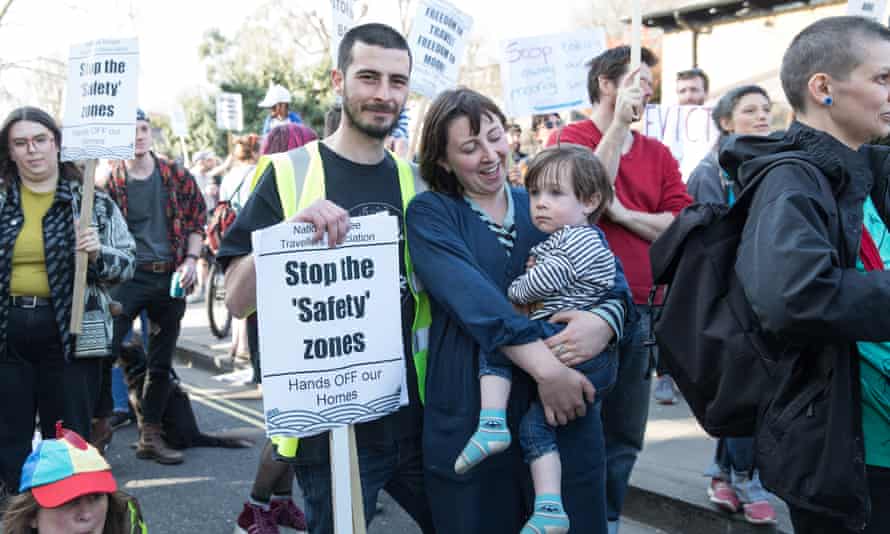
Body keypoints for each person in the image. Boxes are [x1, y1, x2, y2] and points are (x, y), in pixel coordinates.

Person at [219, 23, 434, 534]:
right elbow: (235, 300)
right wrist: (287, 236)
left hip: (419, 420)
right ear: (338, 80)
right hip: (331, 432)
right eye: (369, 77)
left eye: (397, 82)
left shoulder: (417, 182)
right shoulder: (287, 172)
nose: (384, 95)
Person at [408, 87, 633, 533]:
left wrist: (604, 322)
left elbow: (612, 281)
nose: (491, 155)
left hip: (564, 415)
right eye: (470, 148)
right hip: (476, 409)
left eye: (495, 136)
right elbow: (479, 302)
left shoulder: (547, 201)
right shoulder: (432, 213)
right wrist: (550, 372)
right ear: (443, 161)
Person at [719, 16, 890, 533]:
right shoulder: (791, 181)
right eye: (882, 78)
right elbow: (792, 295)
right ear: (823, 88)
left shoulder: (861, 168)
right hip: (847, 451)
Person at [547, 46, 693, 534]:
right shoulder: (570, 137)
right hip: (583, 309)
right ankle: (566, 515)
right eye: (638, 80)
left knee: (626, 430)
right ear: (607, 84)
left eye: (650, 83)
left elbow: (679, 225)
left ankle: (606, 519)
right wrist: (617, 130)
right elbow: (585, 197)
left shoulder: (659, 154)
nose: (648, 90)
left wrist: (625, 215)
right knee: (577, 420)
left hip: (644, 309)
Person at [451, 145, 621, 534]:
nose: (541, 204)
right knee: (536, 429)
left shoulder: (575, 238)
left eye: (555, 194)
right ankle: (549, 508)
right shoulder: (568, 235)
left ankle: (491, 421)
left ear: (591, 200)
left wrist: (517, 291)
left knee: (499, 340)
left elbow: (543, 284)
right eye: (536, 194)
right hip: (571, 348)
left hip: (570, 344)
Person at [0, 106, 135, 497]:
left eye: (40, 140)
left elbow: (127, 263)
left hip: (73, 335)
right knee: (9, 438)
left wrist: (97, 254)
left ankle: (67, 510)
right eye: (20, 143)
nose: (32, 150)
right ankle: (18, 514)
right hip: (8, 334)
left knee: (68, 438)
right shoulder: (4, 199)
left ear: (56, 144)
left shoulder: (90, 201)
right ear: (10, 152)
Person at [685, 85, 778, 525]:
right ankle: (747, 480)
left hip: (763, 293)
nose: (762, 117)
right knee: (746, 389)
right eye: (749, 110)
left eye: (766, 109)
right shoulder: (711, 172)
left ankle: (721, 472)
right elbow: (707, 244)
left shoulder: (768, 163)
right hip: (728, 300)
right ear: (726, 122)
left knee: (745, 391)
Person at [105, 109, 206, 466]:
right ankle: (96, 432)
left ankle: (150, 434)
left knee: (161, 363)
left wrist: (192, 260)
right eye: (131, 131)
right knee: (103, 350)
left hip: (169, 276)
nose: (139, 136)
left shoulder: (175, 174)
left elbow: (197, 219)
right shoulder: (111, 181)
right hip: (128, 278)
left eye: (144, 129)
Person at [233, 122, 318, 534]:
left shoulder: (262, 181)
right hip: (278, 321)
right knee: (288, 428)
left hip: (292, 317)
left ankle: (281, 504)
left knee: (295, 426)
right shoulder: (283, 186)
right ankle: (254, 507)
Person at [2, 424, 146, 534]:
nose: (86, 515)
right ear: (31, 516)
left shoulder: (127, 523)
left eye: (95, 496)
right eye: (68, 501)